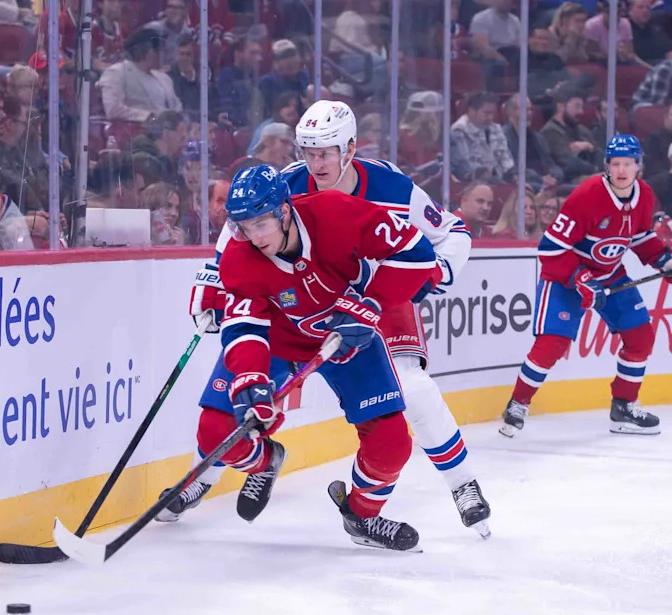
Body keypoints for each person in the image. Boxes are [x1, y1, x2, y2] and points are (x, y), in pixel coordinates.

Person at [172, 100, 491, 540]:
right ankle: (208, 473)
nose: (315, 162)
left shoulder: (390, 188)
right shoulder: (281, 190)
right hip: (296, 304)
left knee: (411, 392)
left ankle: (461, 484)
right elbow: (238, 234)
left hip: (379, 289)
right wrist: (211, 282)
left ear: (351, 147)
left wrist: (435, 274)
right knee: (240, 396)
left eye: (325, 151)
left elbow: (449, 234)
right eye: (307, 151)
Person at [176, 163, 438, 551]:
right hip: (279, 342)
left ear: (284, 211)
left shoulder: (336, 211)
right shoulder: (239, 255)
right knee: (217, 432)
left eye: (260, 224)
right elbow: (245, 326)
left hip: (349, 339)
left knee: (392, 444)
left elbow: (417, 253)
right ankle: (265, 462)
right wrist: (249, 377)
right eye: (242, 226)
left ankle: (362, 516)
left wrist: (372, 304)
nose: (252, 236)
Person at [500, 135, 672, 438]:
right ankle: (518, 404)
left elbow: (642, 238)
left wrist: (667, 261)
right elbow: (550, 249)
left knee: (640, 337)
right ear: (606, 166)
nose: (621, 170)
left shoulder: (644, 194)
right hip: (567, 277)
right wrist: (579, 278)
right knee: (552, 343)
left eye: (627, 164)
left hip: (611, 274)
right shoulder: (587, 195)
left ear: (637, 166)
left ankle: (624, 407)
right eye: (615, 164)